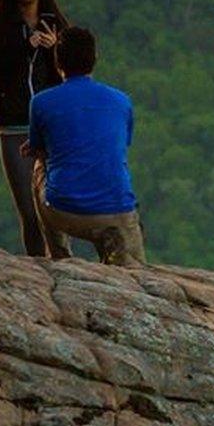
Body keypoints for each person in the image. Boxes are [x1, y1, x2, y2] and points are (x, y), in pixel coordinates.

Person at [24, 26, 146, 266]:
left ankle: (59, 256)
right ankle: (114, 253)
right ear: (94, 59)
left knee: (40, 167)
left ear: (58, 62)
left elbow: (40, 151)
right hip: (117, 212)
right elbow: (119, 146)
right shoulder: (122, 100)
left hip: (63, 211)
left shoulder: (41, 102)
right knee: (135, 273)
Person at [0, 0, 68, 256]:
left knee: (56, 207)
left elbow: (71, 80)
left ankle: (67, 271)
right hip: (14, 126)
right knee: (30, 210)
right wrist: (24, 47)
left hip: (52, 126)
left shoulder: (56, 24)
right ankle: (40, 272)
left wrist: (56, 54)